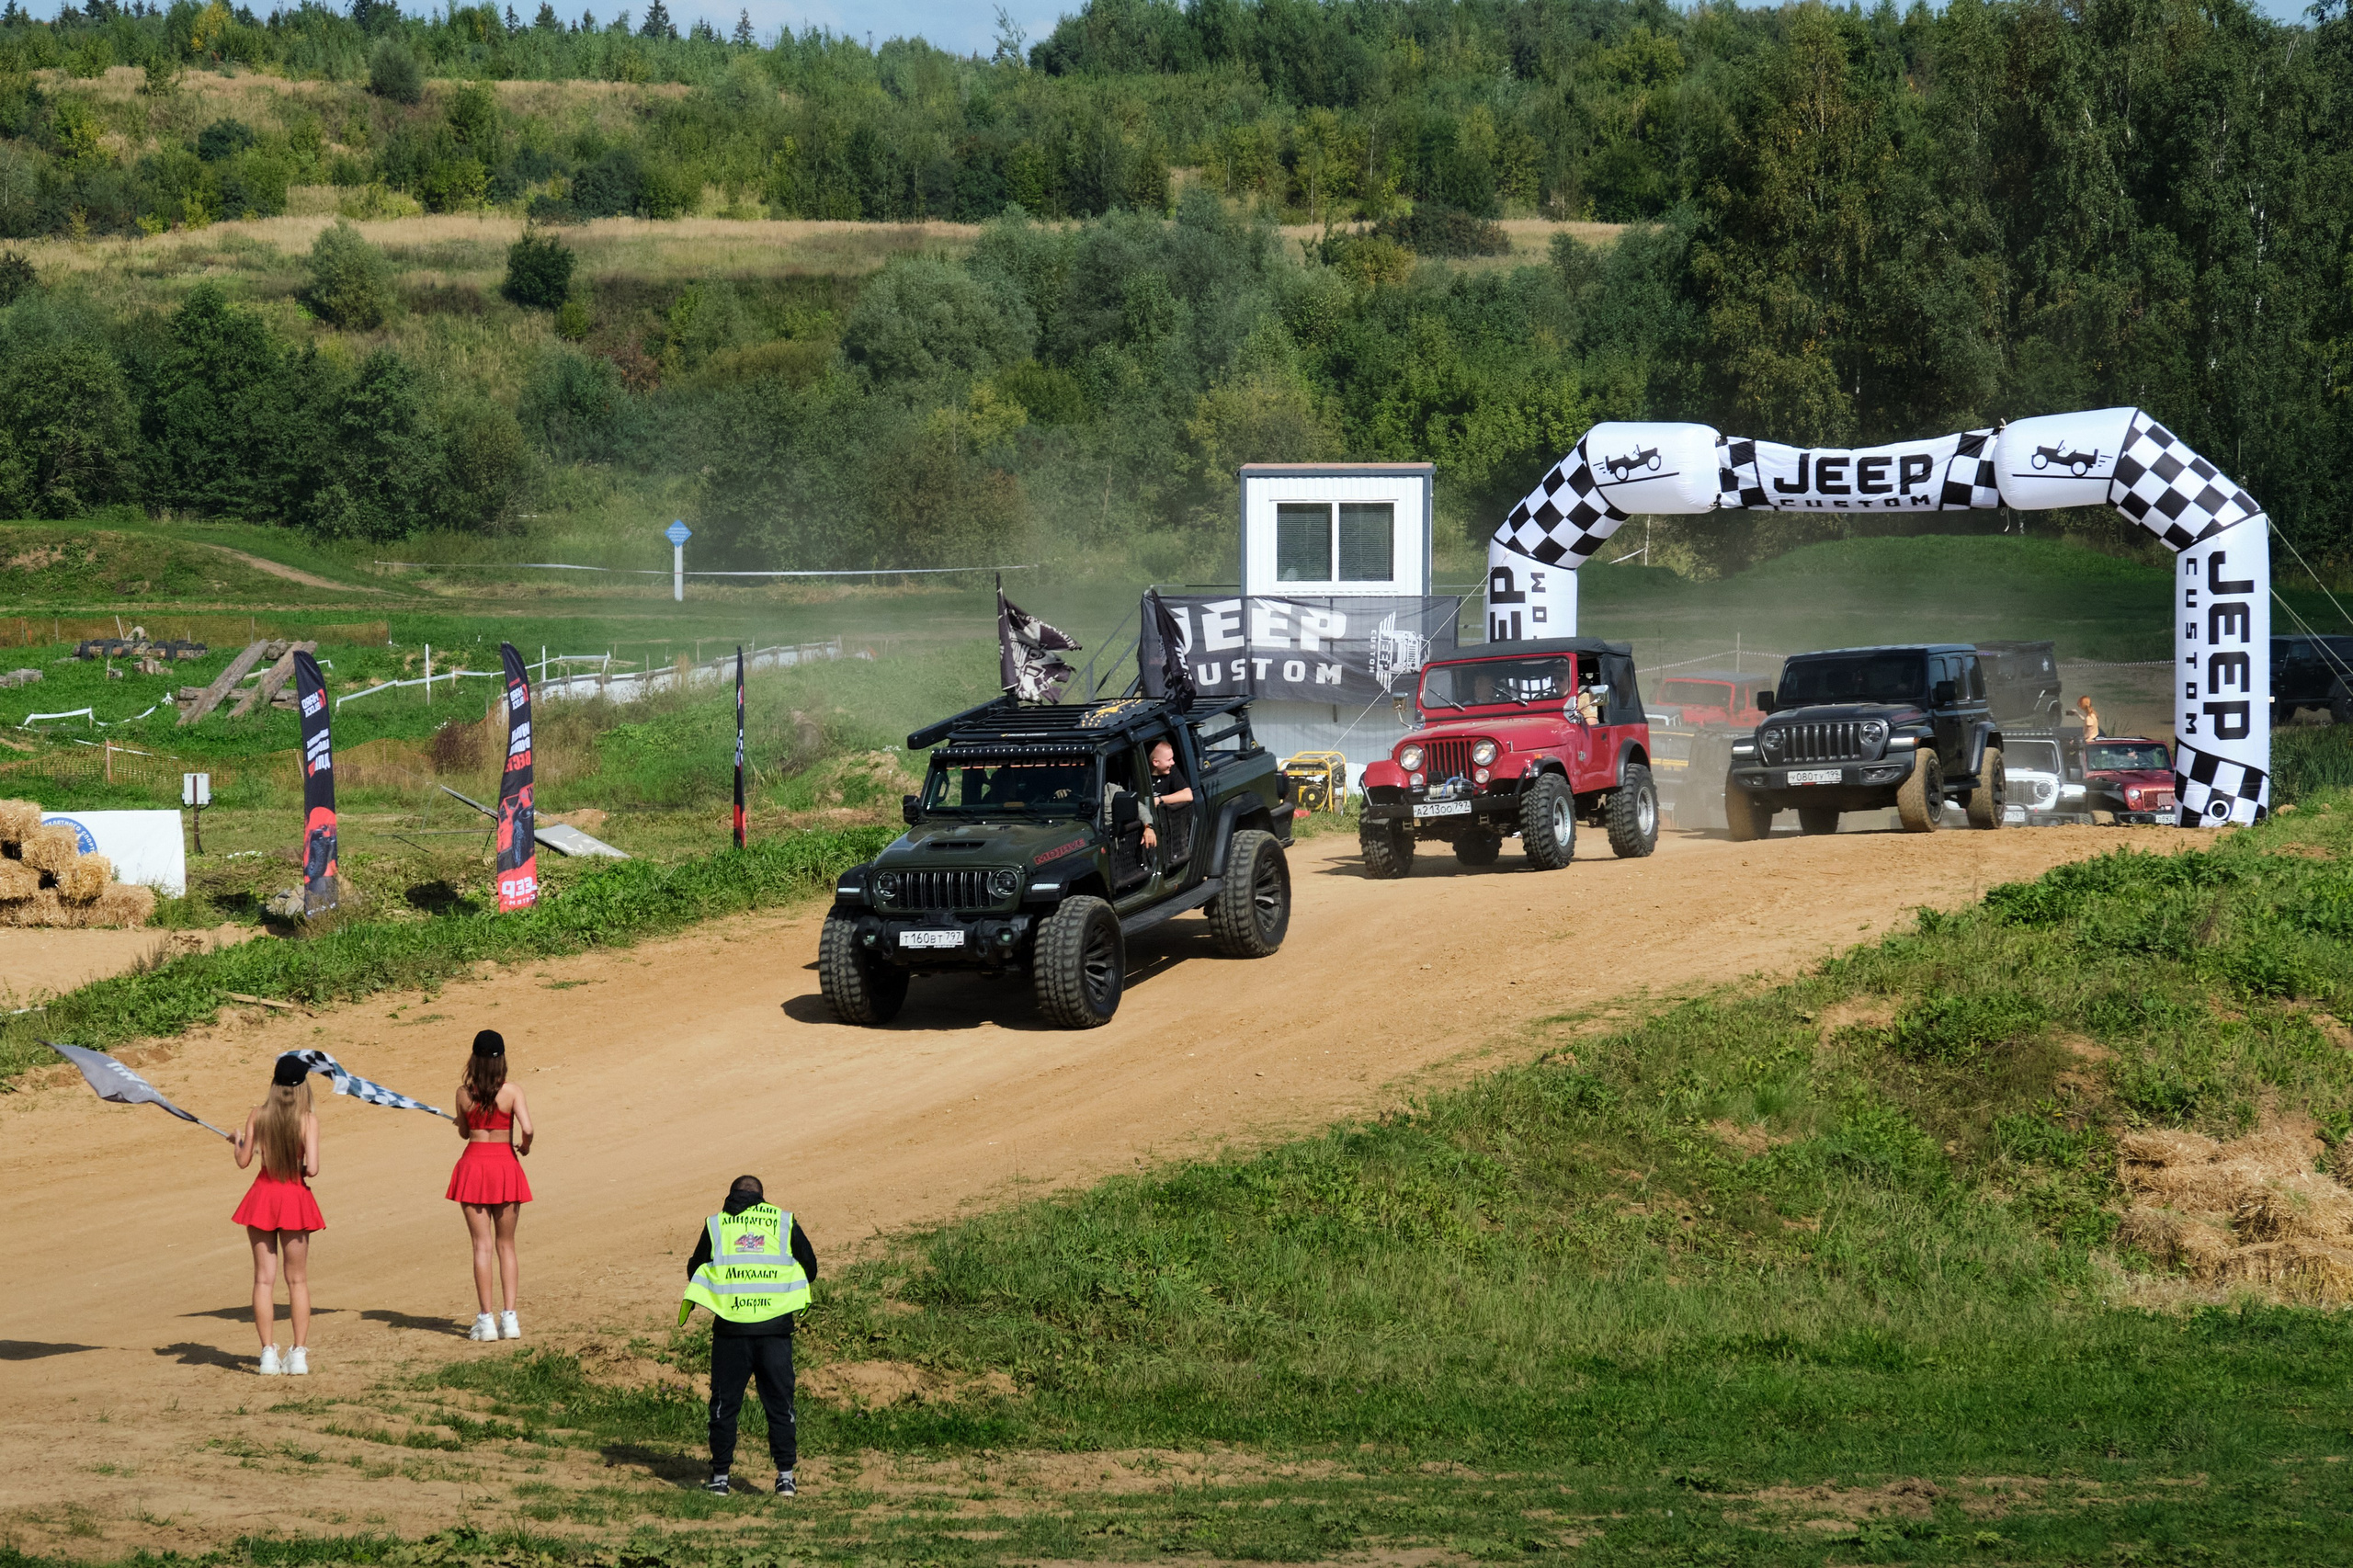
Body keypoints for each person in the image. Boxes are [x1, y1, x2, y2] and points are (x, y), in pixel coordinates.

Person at [679, 1175, 817, 1497]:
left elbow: (694, 1270)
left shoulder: (717, 1225)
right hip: (775, 1332)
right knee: (781, 1406)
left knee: (724, 1405)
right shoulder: (782, 1221)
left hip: (731, 1330)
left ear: (731, 1197)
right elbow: (810, 1267)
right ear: (762, 1198)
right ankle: (785, 1477)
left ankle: (720, 1478)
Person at [232, 1053, 323, 1376]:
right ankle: (298, 1354)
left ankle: (267, 1354)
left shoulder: (258, 1114)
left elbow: (244, 1160)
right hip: (294, 1197)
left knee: (263, 1279)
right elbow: (311, 1168)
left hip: (263, 1196)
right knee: (297, 1280)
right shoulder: (307, 1120)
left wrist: (237, 1142)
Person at [447, 1029, 533, 1342]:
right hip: (505, 1166)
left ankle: (485, 1320)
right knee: (506, 1245)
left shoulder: (463, 1093)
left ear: (474, 1060)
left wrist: (464, 1121)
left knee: (481, 1246)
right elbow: (528, 1127)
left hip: (473, 1167)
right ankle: (509, 1318)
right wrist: (524, 1146)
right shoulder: (512, 1092)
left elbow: (464, 1132)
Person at [1140, 738, 1194, 861]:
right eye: (1169, 760)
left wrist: (1160, 800)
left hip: (1167, 829)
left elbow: (1188, 795)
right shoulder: (1140, 777)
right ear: (1155, 762)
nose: (1173, 763)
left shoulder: (1170, 771)